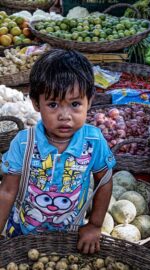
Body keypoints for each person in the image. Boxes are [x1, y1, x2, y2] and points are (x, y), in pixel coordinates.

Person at [0, 49, 116, 254]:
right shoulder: (23, 144)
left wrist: (95, 225)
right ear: (36, 103)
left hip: (69, 235)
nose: (65, 115)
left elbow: (104, 181)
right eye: (53, 104)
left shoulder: (94, 142)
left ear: (89, 100)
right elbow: (7, 191)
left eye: (75, 104)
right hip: (22, 232)